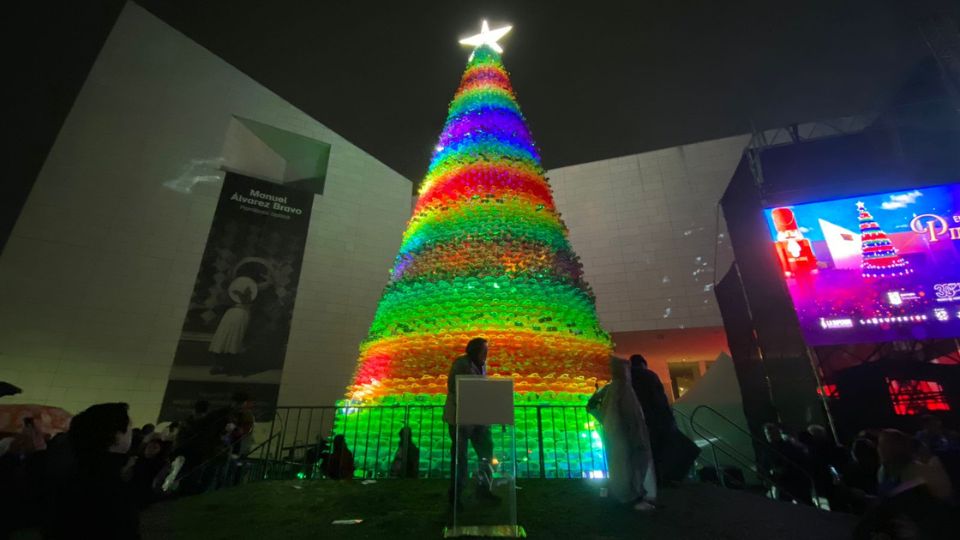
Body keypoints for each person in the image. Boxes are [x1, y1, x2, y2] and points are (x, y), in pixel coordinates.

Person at [46, 402, 141, 539]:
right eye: (129, 427)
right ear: (116, 436)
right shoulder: (109, 483)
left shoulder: (69, 472)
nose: (131, 433)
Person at [443, 337, 498, 506]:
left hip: (478, 418)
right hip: (461, 418)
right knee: (461, 458)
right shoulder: (461, 364)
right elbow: (455, 387)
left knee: (486, 452)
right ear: (473, 351)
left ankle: (484, 489)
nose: (486, 354)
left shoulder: (482, 365)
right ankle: (457, 496)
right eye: (484, 351)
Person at [602, 356, 657, 511]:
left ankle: (630, 494)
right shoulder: (622, 389)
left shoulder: (614, 389)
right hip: (626, 436)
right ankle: (631, 495)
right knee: (631, 465)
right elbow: (630, 415)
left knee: (626, 465)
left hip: (619, 436)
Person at [628, 354, 676, 482]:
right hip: (654, 418)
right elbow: (659, 398)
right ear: (643, 364)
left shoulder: (627, 379)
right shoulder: (650, 376)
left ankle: (643, 481)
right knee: (657, 451)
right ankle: (661, 480)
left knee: (640, 452)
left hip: (635, 420)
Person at [760, 423, 814, 505]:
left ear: (778, 433)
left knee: (805, 503)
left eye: (772, 433)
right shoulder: (767, 449)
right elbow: (765, 464)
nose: (770, 435)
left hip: (795, 480)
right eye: (768, 433)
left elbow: (799, 460)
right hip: (782, 482)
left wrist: (783, 469)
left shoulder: (789, 446)